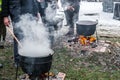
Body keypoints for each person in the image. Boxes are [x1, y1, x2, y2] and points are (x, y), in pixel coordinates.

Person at [2, 0, 40, 65]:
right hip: (16, 11)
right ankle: (18, 60)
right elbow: (5, 2)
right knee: (18, 35)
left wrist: (36, 12)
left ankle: (28, 57)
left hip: (29, 12)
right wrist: (5, 16)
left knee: (30, 35)